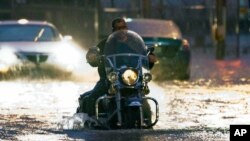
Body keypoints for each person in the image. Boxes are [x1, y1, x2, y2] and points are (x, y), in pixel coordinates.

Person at [77, 18, 157, 117]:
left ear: (127, 28)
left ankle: (147, 121)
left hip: (131, 78)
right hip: (110, 78)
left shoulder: (135, 42)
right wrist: (92, 56)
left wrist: (150, 57)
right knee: (93, 98)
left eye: (123, 27)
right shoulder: (105, 43)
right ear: (113, 30)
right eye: (118, 28)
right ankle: (92, 122)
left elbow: (144, 55)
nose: (121, 30)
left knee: (143, 99)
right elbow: (94, 55)